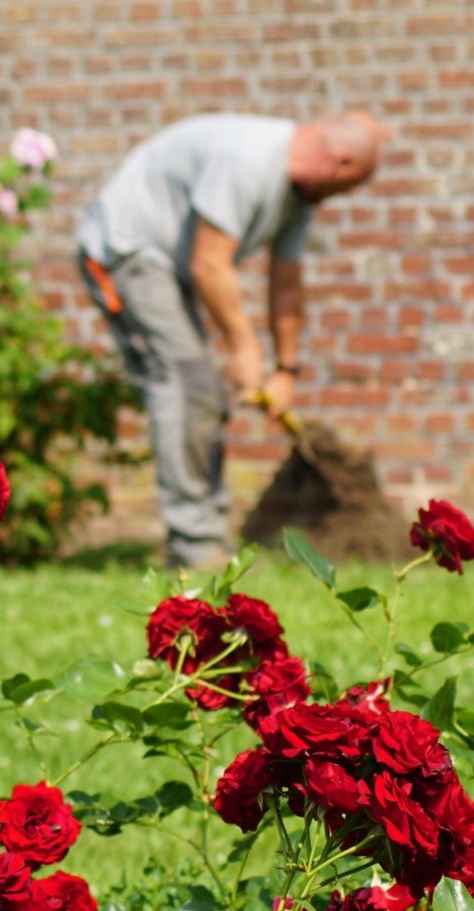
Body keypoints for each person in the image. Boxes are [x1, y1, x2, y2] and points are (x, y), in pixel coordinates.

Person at [78, 111, 385, 569]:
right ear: (337, 163)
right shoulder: (247, 160)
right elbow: (209, 264)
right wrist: (245, 349)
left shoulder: (298, 199)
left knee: (204, 391)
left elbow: (286, 283)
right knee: (188, 385)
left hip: (170, 266)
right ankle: (194, 545)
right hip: (125, 250)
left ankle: (208, 537)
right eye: (347, 186)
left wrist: (285, 369)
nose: (342, 197)